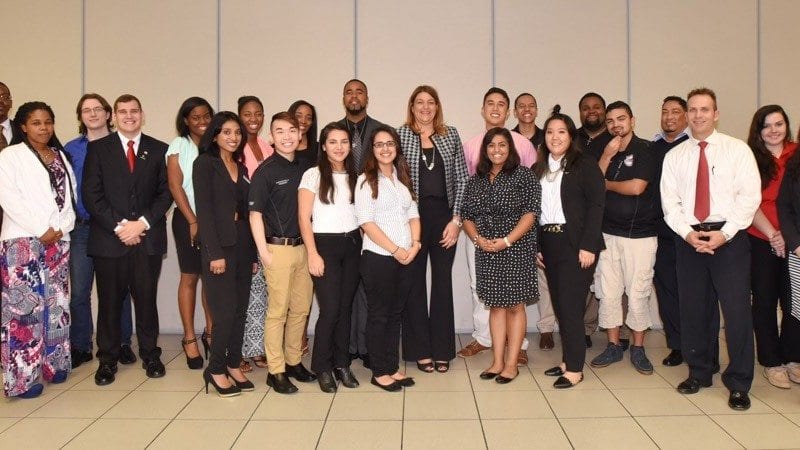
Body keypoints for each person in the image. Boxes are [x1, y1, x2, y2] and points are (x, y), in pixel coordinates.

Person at [661, 87, 760, 411]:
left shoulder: (737, 150)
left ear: (716, 114)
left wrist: (727, 233)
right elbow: (670, 203)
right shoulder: (676, 156)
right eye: (693, 109)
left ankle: (739, 382)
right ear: (687, 114)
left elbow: (749, 198)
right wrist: (688, 234)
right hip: (689, 240)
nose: (698, 115)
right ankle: (700, 372)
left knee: (736, 314)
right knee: (694, 311)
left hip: (729, 240)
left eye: (705, 109)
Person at [83, 94, 172, 386]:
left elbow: (166, 193)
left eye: (134, 111)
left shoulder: (160, 149)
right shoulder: (98, 149)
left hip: (146, 238)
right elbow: (91, 196)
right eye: (123, 111)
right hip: (111, 240)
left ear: (142, 115)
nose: (129, 116)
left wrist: (141, 223)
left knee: (147, 300)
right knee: (109, 302)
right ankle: (107, 361)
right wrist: (122, 226)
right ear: (114, 117)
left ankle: (151, 355)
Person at [0, 101, 76, 398]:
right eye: (36, 123)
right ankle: (23, 379)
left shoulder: (59, 156)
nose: (43, 128)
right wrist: (39, 228)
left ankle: (54, 363)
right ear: (23, 126)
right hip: (22, 241)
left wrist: (62, 227)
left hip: (58, 240)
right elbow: (8, 197)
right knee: (25, 311)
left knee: (57, 305)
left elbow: (69, 197)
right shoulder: (10, 156)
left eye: (48, 122)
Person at [458, 87, 535, 365]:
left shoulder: (524, 146)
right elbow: (466, 190)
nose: (495, 108)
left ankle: (518, 344)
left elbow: (530, 197)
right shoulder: (469, 145)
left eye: (501, 104)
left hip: (515, 237)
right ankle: (483, 337)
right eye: (489, 103)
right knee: (481, 286)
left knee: (515, 295)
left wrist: (508, 239)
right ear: (482, 109)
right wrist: (477, 236)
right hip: (480, 232)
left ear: (508, 111)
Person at [397, 85, 468, 373]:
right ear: (412, 107)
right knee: (413, 283)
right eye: (420, 102)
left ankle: (441, 351)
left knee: (442, 283)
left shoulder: (450, 135)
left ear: (437, 107)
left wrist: (457, 221)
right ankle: (419, 351)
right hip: (411, 219)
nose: (425, 107)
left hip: (444, 219)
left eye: (431, 102)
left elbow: (462, 179)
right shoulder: (400, 135)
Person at [534, 106, 605, 389]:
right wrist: (538, 245)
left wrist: (589, 245)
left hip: (577, 245)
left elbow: (597, 206)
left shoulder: (584, 165)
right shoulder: (539, 168)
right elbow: (534, 211)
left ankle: (575, 369)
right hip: (549, 243)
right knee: (562, 307)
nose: (555, 137)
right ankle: (567, 360)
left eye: (561, 132)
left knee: (572, 308)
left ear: (570, 136)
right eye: (550, 132)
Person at [65, 94, 136, 369]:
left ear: (109, 114)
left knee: (120, 289)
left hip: (114, 229)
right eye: (86, 110)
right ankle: (81, 345)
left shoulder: (124, 145)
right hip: (82, 229)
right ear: (80, 116)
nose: (92, 114)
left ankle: (123, 343)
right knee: (80, 291)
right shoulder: (71, 148)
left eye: (98, 109)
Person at [249, 112, 315, 394]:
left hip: (304, 249)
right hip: (277, 249)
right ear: (271, 137)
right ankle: (275, 370)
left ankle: (293, 361)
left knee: (300, 310)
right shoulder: (265, 171)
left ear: (300, 134)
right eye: (280, 131)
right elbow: (254, 214)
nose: (287, 136)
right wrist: (263, 251)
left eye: (292, 130)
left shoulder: (307, 169)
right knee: (277, 312)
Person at [590, 101, 657, 375]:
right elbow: (592, 184)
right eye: (610, 121)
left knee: (638, 292)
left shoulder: (646, 149)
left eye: (621, 119)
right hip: (607, 232)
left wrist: (607, 185)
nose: (615, 124)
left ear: (632, 120)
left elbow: (636, 187)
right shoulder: (604, 149)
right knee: (608, 292)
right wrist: (606, 156)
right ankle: (613, 345)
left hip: (639, 235)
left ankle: (639, 348)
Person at [194, 111, 256, 397]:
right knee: (225, 312)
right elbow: (204, 214)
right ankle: (215, 368)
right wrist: (213, 253)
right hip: (219, 248)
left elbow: (247, 213)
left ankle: (233, 363)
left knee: (241, 311)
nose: (233, 137)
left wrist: (254, 254)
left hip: (243, 245)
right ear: (215, 134)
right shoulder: (205, 164)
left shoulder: (241, 166)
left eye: (237, 133)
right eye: (227, 132)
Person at [355, 124, 419, 391]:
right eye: (379, 144)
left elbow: (413, 214)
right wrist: (396, 250)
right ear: (373, 149)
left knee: (395, 314)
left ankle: (392, 368)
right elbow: (366, 223)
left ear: (397, 147)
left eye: (390, 143)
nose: (385, 149)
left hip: (406, 257)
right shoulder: (365, 181)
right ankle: (379, 371)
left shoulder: (401, 178)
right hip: (379, 257)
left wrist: (414, 245)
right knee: (379, 315)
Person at [298, 122, 362, 392]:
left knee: (345, 309)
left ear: (351, 146)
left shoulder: (356, 176)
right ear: (323, 146)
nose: (339, 147)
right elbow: (303, 217)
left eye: (344, 142)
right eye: (333, 142)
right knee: (331, 309)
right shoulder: (312, 175)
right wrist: (312, 253)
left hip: (352, 245)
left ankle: (341, 363)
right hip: (324, 245)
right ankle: (322, 366)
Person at [337, 79, 386, 368]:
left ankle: (367, 346)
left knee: (369, 284)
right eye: (349, 92)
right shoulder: (332, 131)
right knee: (346, 286)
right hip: (341, 218)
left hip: (373, 216)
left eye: (359, 92)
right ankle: (347, 346)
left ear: (368, 97)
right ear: (343, 97)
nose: (354, 96)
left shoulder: (380, 130)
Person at [748, 105, 797, 388]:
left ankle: (793, 357)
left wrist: (790, 237)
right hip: (759, 237)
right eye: (767, 126)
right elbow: (749, 201)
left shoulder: (797, 153)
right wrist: (773, 234)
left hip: (796, 241)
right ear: (758, 130)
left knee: (793, 301)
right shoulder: (751, 158)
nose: (774, 130)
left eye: (779, 124)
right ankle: (771, 361)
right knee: (765, 300)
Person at [167, 97, 214, 370]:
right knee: (190, 277)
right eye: (195, 117)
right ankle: (189, 338)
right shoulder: (179, 145)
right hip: (187, 221)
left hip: (213, 224)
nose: (202, 121)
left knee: (211, 280)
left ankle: (211, 334)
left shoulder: (214, 146)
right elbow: (175, 185)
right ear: (186, 120)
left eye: (206, 116)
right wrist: (193, 220)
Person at [513, 92, 555, 350]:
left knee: (544, 271)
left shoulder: (549, 137)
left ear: (537, 110)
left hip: (545, 212)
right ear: (515, 112)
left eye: (531, 106)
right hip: (515, 215)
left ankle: (547, 326)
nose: (527, 110)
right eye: (521, 106)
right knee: (518, 275)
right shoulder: (507, 139)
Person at [575, 92, 614, 349]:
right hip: (581, 219)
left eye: (597, 107)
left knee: (611, 278)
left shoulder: (616, 139)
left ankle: (616, 331)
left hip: (612, 219)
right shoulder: (573, 139)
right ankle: (585, 327)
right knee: (584, 279)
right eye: (586, 108)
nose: (592, 111)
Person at [237, 95, 273, 371]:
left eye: (258, 114)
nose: (253, 119)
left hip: (265, 224)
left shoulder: (266, 146)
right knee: (241, 290)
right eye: (247, 114)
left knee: (261, 290)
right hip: (240, 225)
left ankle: (257, 347)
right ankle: (235, 351)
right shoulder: (233, 146)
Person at [776, 122, 800, 387]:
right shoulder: (795, 164)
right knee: (797, 309)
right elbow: (785, 207)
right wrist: (795, 243)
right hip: (798, 250)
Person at [289, 100, 319, 168]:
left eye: (308, 118)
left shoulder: (319, 149)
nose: (303, 121)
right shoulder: (278, 148)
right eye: (299, 116)